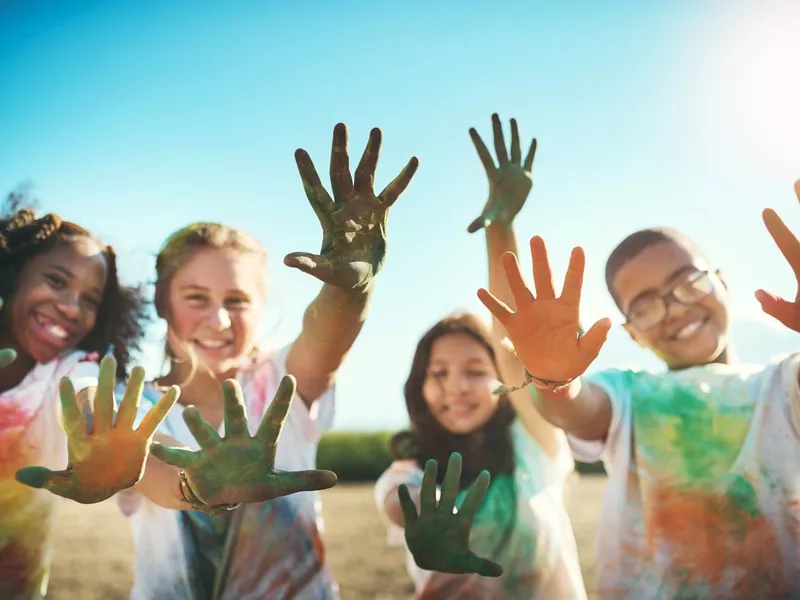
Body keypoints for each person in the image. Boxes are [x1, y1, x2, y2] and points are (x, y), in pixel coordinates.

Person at [114, 122, 419, 600]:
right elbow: (147, 471)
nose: (218, 319)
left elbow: (328, 331)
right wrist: (201, 489)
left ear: (261, 307)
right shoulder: (131, 402)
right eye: (196, 297)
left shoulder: (281, 382)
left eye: (237, 300)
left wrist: (352, 290)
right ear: (161, 301)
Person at [478, 180, 800, 599]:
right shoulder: (629, 393)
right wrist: (554, 380)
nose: (677, 309)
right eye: (645, 306)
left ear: (722, 283)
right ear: (631, 334)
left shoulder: (784, 384)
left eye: (690, 282)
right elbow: (574, 409)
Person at [374, 115, 587, 599]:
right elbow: (395, 503)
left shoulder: (534, 442)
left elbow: (513, 340)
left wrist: (502, 229)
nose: (457, 387)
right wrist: (420, 520)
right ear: (418, 386)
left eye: (475, 371)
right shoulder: (408, 469)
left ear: (504, 382)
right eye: (439, 373)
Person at [0, 206, 149, 600]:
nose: (70, 307)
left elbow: (86, 392)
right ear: (12, 274)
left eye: (90, 300)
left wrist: (100, 428)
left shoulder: (70, 368)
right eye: (55, 280)